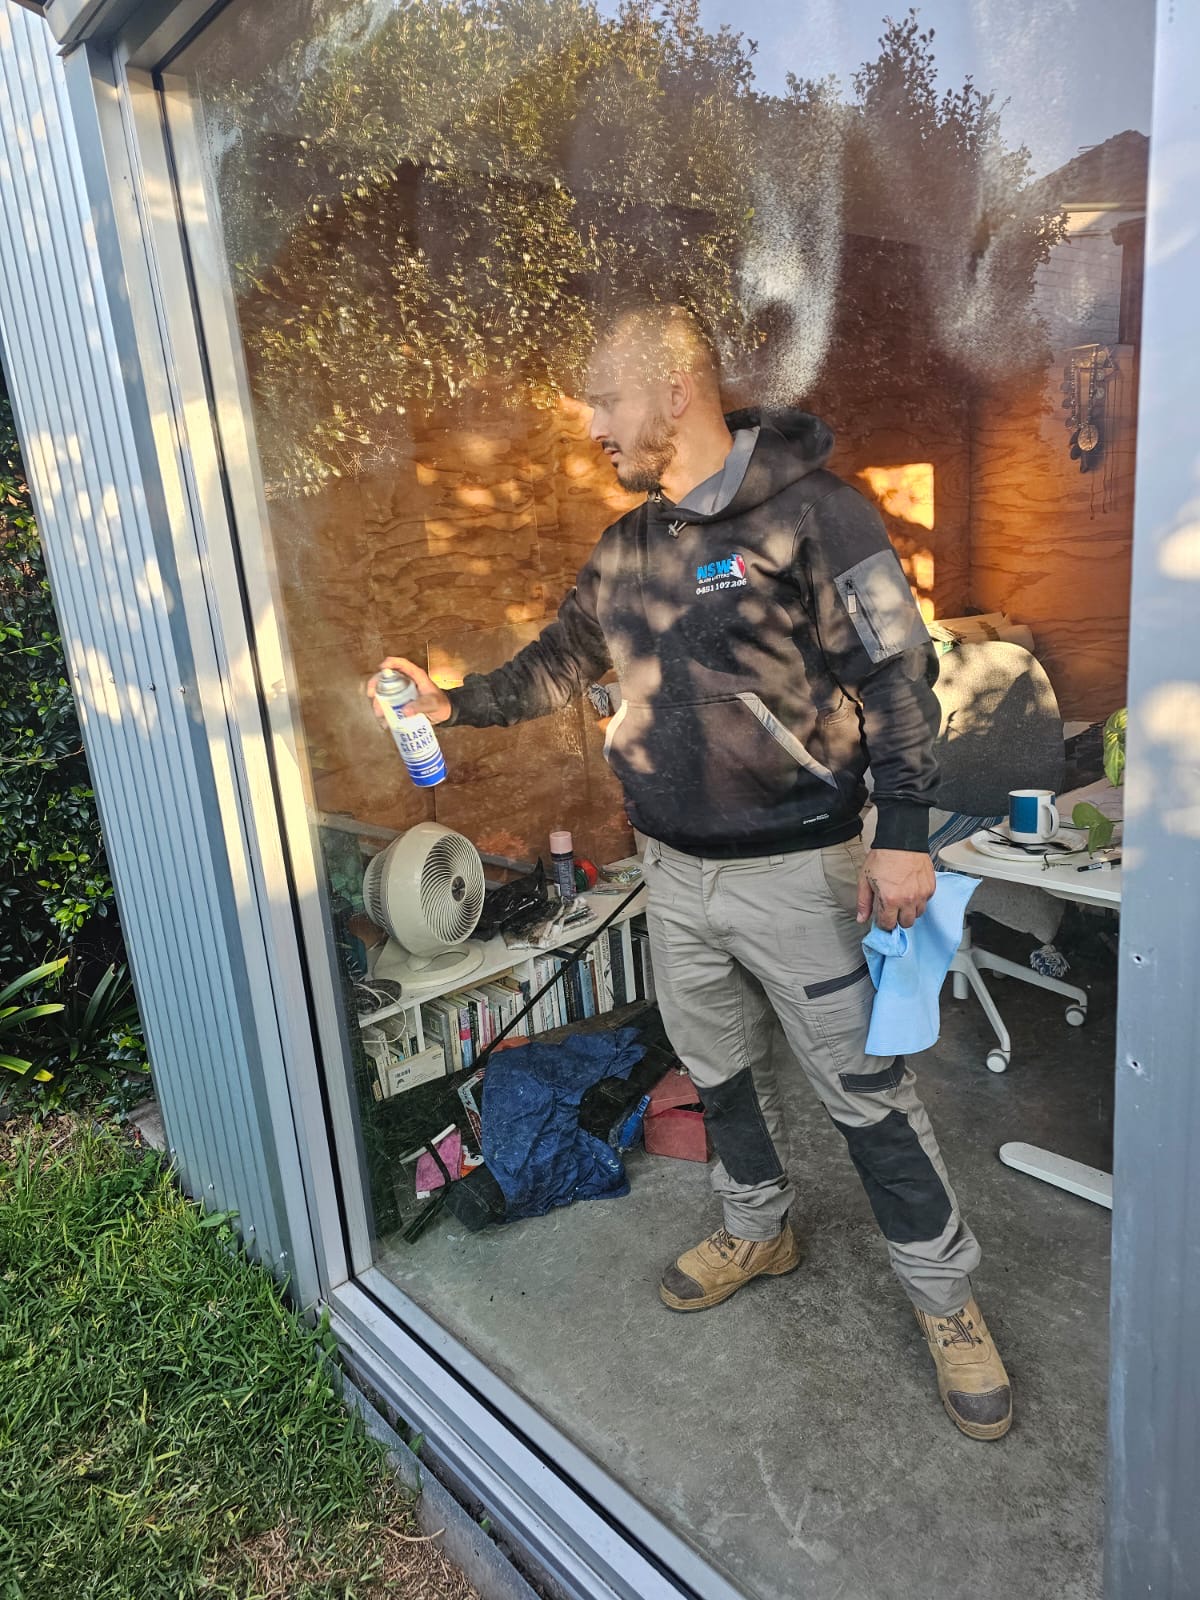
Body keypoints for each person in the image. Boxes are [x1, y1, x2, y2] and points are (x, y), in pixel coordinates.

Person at [370, 303, 1011, 1441]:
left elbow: (901, 674)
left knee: (866, 1096)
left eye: (607, 405)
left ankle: (946, 1299)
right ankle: (757, 1224)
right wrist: (449, 702)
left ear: (674, 390)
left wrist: (905, 829)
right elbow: (555, 664)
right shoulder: (629, 549)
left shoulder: (817, 513)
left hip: (803, 871)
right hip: (673, 872)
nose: (597, 431)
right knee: (716, 1070)